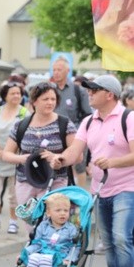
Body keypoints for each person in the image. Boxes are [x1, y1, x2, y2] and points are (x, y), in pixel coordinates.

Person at [50, 75, 134, 267]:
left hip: (127, 188)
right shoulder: (88, 121)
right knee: (107, 243)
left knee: (121, 239)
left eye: (94, 89)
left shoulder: (128, 118)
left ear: (110, 94)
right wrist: (61, 159)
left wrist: (113, 162)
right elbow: (75, 152)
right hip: (99, 189)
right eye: (88, 89)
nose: (89, 93)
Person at [1, 82, 77, 232]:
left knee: (53, 225)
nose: (50, 103)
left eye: (53, 99)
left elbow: (77, 155)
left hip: (56, 181)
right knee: (31, 226)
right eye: (45, 99)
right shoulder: (21, 125)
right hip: (26, 181)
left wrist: (57, 157)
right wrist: (23, 159)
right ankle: (35, 252)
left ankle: (51, 254)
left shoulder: (64, 124)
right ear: (34, 101)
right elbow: (6, 154)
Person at [0, 82, 29, 234]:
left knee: (14, 194)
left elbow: (27, 136)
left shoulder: (24, 113)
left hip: (16, 160)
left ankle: (13, 222)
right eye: (13, 93)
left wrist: (12, 153)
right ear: (5, 96)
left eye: (19, 93)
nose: (16, 96)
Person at [16, 192, 79, 267]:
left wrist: (69, 259)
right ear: (48, 213)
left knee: (45, 258)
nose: (62, 214)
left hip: (59, 257)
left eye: (66, 210)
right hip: (42, 252)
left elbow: (75, 247)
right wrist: (25, 254)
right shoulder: (43, 225)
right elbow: (37, 243)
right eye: (58, 210)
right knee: (33, 257)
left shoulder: (71, 229)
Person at [50, 56, 92, 188]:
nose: (56, 72)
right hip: (53, 135)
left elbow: (87, 114)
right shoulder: (49, 90)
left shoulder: (77, 90)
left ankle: (81, 199)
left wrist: (78, 131)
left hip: (76, 136)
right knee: (57, 165)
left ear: (68, 71)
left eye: (59, 69)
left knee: (79, 167)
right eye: (54, 70)